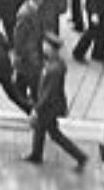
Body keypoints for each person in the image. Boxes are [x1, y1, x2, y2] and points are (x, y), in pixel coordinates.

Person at [26, 37, 88, 168]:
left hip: (50, 107)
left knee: (54, 134)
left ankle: (80, 156)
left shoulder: (54, 69)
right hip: (51, 105)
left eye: (46, 45)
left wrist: (36, 109)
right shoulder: (53, 62)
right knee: (40, 128)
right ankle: (36, 154)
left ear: (52, 49)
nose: (43, 47)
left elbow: (48, 93)